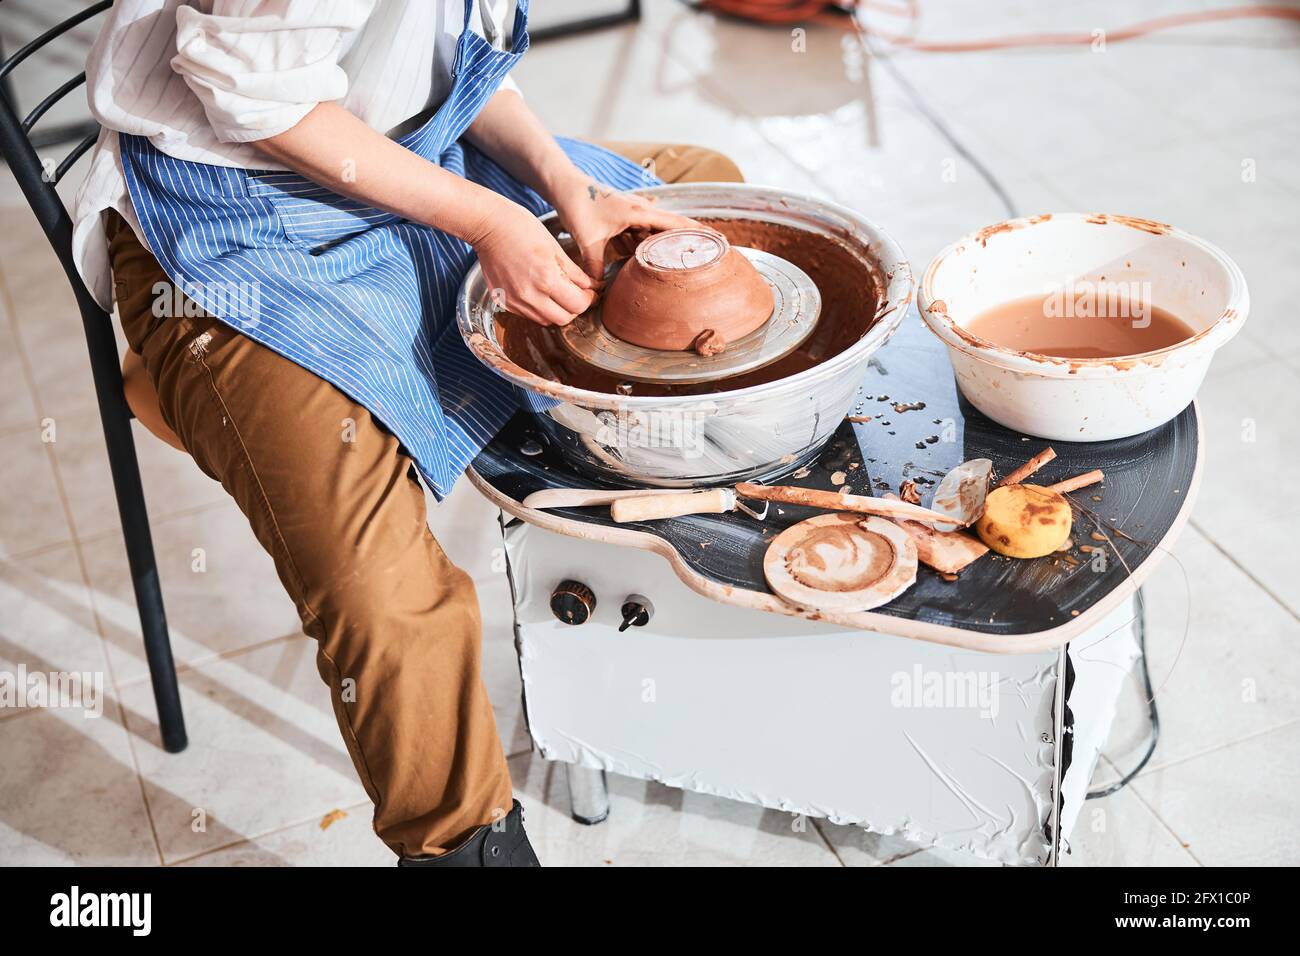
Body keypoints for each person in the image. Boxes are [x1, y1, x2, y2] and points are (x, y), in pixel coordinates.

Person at [72, 0, 742, 866]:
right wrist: (493, 222)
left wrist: (564, 185)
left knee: (706, 198)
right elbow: (256, 95)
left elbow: (443, 50)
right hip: (234, 206)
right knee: (378, 589)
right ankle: (466, 847)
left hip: (410, 154)